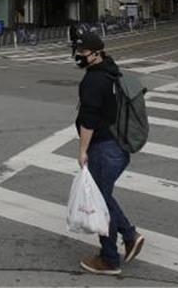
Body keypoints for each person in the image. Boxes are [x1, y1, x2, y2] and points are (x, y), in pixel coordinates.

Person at [72, 31, 145, 276]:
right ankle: (130, 236)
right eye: (78, 52)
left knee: (101, 203)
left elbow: (89, 120)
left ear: (96, 53)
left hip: (104, 148)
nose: (78, 56)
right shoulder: (110, 71)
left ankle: (109, 259)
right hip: (117, 147)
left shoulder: (94, 80)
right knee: (104, 198)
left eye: (82, 53)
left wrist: (82, 150)